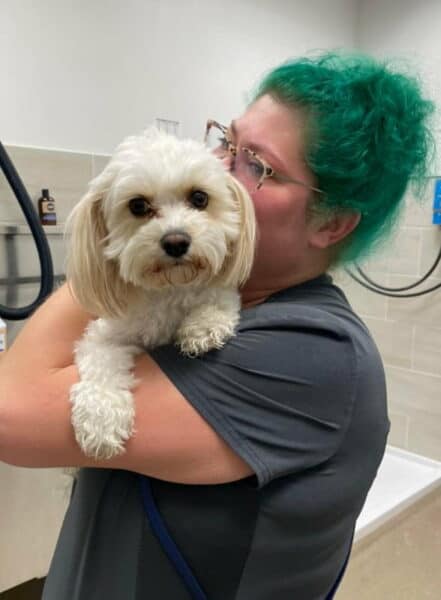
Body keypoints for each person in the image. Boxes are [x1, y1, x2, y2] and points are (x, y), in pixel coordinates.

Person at [0, 51, 434, 599]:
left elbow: (9, 416)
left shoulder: (316, 353)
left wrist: (109, 257)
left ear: (332, 222)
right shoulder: (199, 305)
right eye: (227, 141)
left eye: (257, 163)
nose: (221, 167)